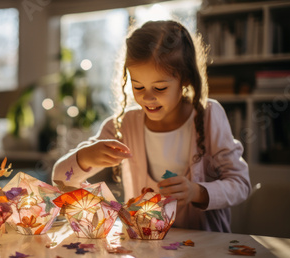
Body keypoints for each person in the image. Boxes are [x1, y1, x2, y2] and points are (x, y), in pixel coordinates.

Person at [52, 20, 251, 232]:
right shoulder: (124, 124)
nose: (148, 97)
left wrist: (196, 192)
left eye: (160, 87)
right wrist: (84, 157)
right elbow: (59, 178)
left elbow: (240, 184)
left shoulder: (209, 116)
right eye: (138, 86)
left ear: (184, 79)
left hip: (205, 249)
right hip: (145, 252)